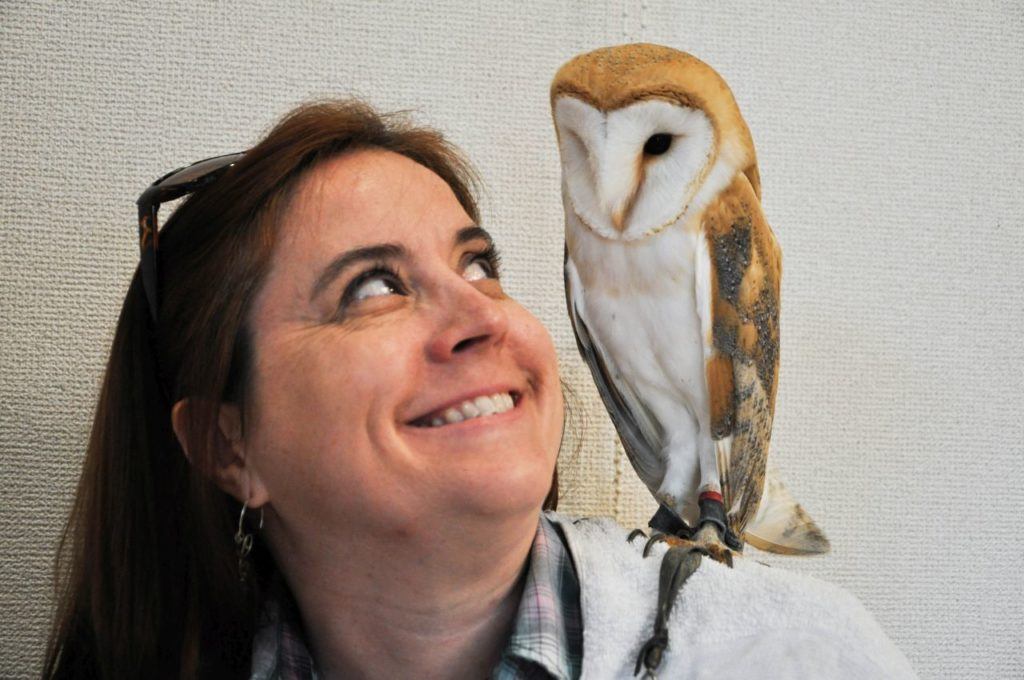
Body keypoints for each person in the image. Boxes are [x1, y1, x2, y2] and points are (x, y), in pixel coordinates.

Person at [45, 100, 916, 679]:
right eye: (371, 287)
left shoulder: (788, 656)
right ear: (230, 447)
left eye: (481, 265)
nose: (485, 316)